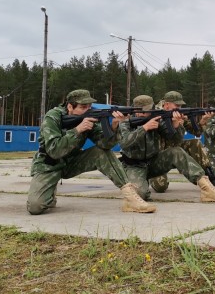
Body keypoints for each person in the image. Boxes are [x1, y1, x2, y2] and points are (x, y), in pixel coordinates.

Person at [27, 89, 156, 215]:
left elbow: (105, 145)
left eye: (89, 106)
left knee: (101, 152)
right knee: (36, 207)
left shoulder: (89, 117)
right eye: (83, 107)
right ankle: (49, 192)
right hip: (49, 165)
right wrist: (77, 130)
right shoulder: (53, 117)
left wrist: (114, 126)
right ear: (70, 106)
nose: (87, 110)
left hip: (72, 162)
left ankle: (130, 197)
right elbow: (54, 150)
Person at [117, 94, 215, 203]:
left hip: (154, 162)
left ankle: (207, 188)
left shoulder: (157, 120)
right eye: (140, 111)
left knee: (176, 151)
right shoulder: (126, 123)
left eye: (146, 110)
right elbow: (125, 143)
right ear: (134, 110)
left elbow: (175, 141)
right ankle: (139, 183)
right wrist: (144, 128)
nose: (143, 114)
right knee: (141, 195)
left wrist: (176, 125)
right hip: (134, 166)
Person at [148, 91, 215, 193]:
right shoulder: (154, 114)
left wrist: (203, 121)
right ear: (166, 104)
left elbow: (196, 132)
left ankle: (211, 178)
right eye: (177, 105)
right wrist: (175, 124)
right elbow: (169, 136)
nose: (179, 108)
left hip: (176, 150)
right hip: (158, 155)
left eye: (180, 105)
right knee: (160, 187)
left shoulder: (176, 114)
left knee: (195, 142)